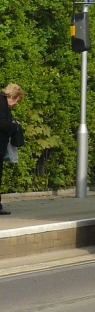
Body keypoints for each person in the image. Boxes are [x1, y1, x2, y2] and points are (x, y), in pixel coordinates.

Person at [0, 83, 25, 215]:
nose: (16, 103)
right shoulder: (2, 103)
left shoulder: (3, 103)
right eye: (17, 100)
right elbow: (2, 123)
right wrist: (14, 127)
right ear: (12, 96)